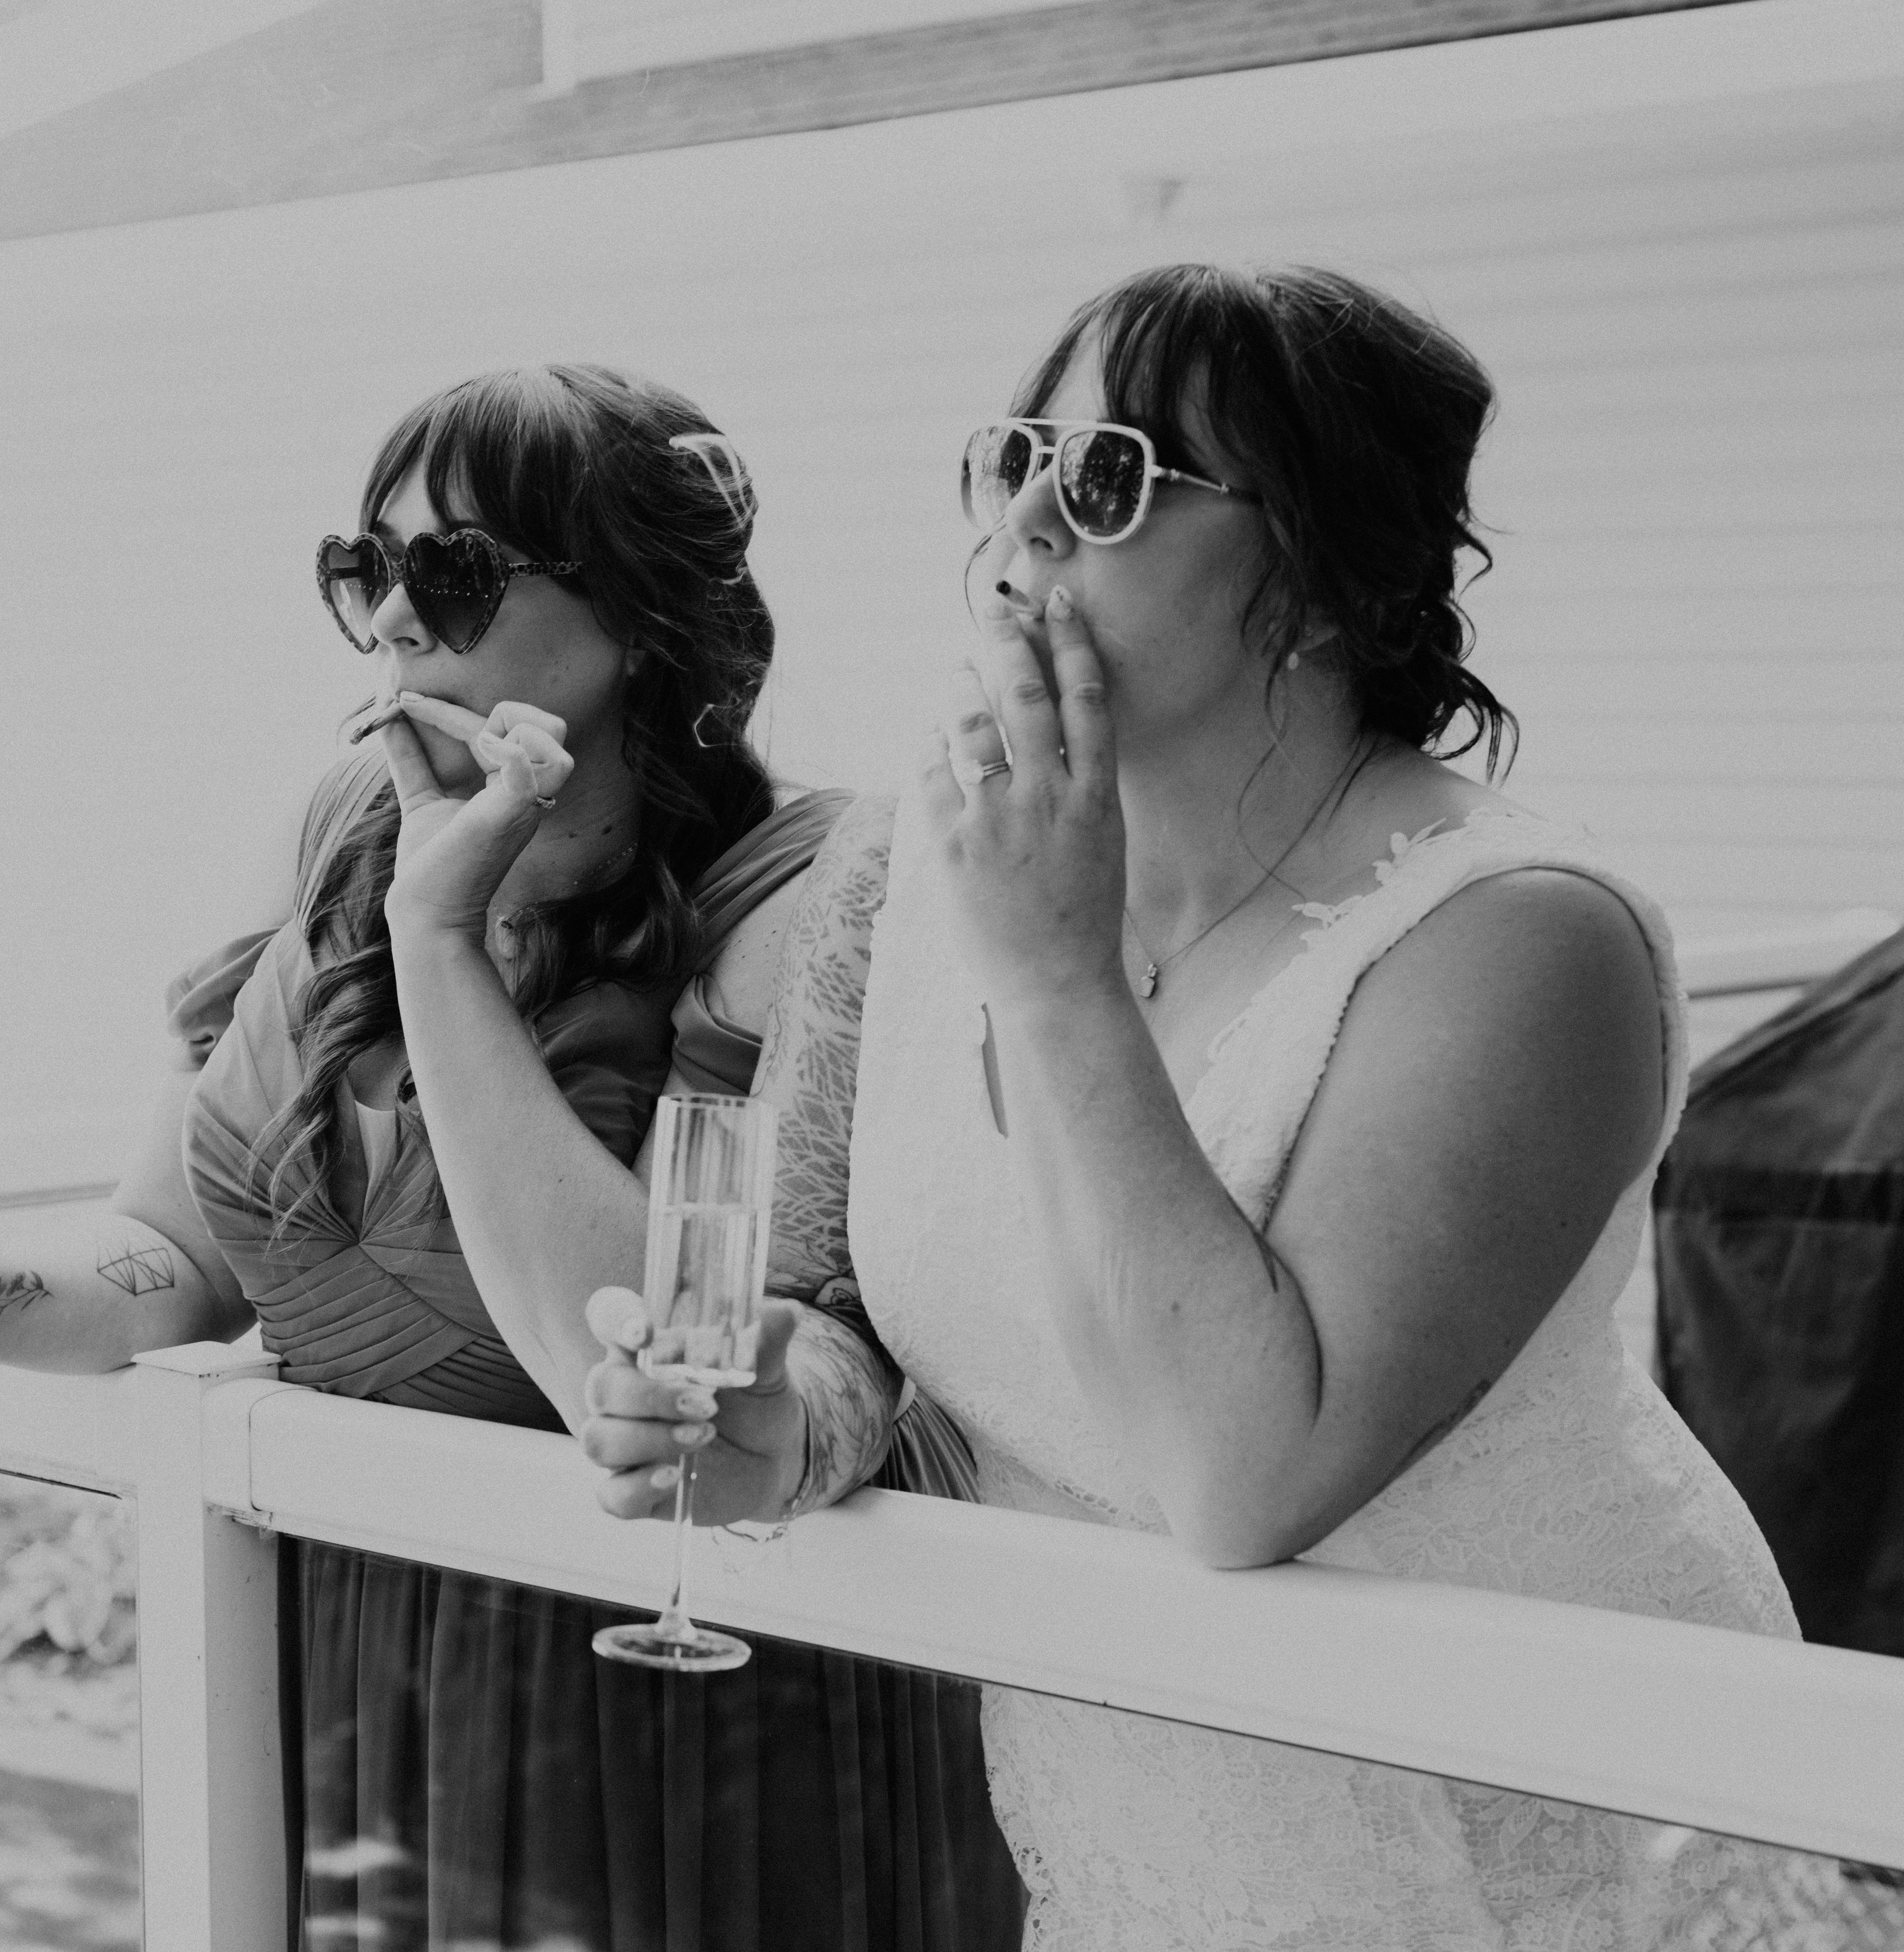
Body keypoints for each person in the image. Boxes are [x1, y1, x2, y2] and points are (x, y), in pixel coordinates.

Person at [0, 363, 1022, 1950]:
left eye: (453, 572)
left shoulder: (803, 897)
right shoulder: (345, 822)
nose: (395, 620)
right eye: (365, 569)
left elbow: (651, 1362)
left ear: (642, 618)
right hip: (348, 1632)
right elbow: (175, 1260)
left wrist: (441, 935)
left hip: (663, 1693)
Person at [580, 266, 1799, 1948]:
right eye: (1013, 459)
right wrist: (773, 1429)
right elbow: (861, 1317)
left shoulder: (1522, 939)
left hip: (1544, 1833)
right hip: (1151, 1837)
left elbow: (1245, 1477)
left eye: (1109, 479)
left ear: (1311, 572)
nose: (1025, 522)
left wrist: (1059, 979)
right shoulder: (923, 872)